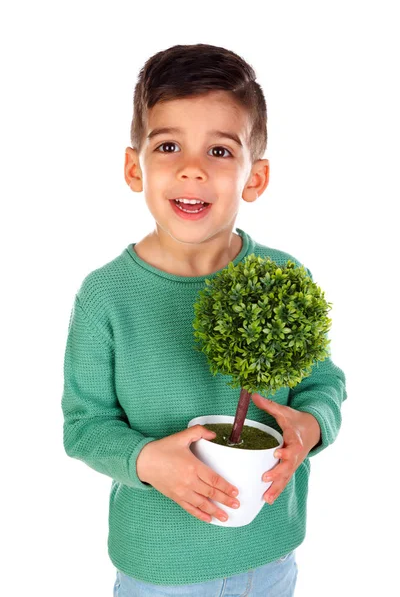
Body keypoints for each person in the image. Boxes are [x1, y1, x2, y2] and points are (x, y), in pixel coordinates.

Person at [61, 43, 347, 596]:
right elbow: (84, 425)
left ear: (254, 178)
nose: (192, 168)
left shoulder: (281, 279)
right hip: (157, 571)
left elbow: (322, 382)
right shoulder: (105, 297)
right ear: (133, 167)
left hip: (270, 559)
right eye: (168, 145)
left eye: (219, 151)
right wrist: (144, 459)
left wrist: (309, 428)